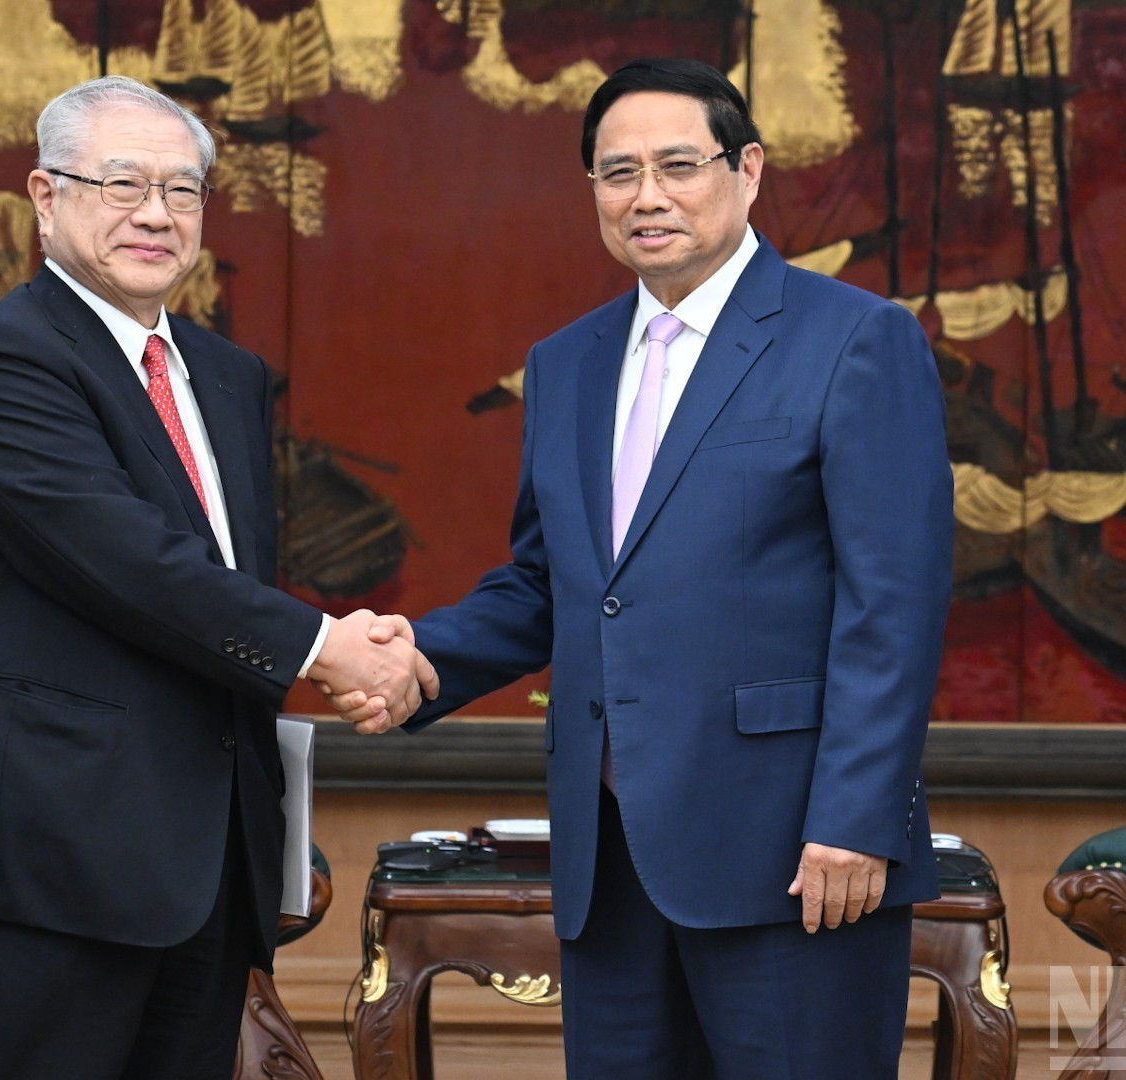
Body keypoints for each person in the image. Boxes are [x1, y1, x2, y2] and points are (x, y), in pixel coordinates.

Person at [325, 57, 954, 1078]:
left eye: (677, 165)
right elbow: (553, 584)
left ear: (747, 171)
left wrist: (855, 818)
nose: (647, 195)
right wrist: (418, 660)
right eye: (618, 173)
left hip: (797, 854)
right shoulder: (566, 362)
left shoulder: (855, 340)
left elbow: (895, 605)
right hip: (608, 858)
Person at [0, 75, 434, 1080]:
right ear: (45, 197)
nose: (156, 214)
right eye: (122, 184)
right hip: (53, 859)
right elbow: (132, 565)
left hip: (212, 859)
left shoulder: (227, 376)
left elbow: (223, 590)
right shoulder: (3, 360)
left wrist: (339, 657)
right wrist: (330, 650)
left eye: (182, 190)